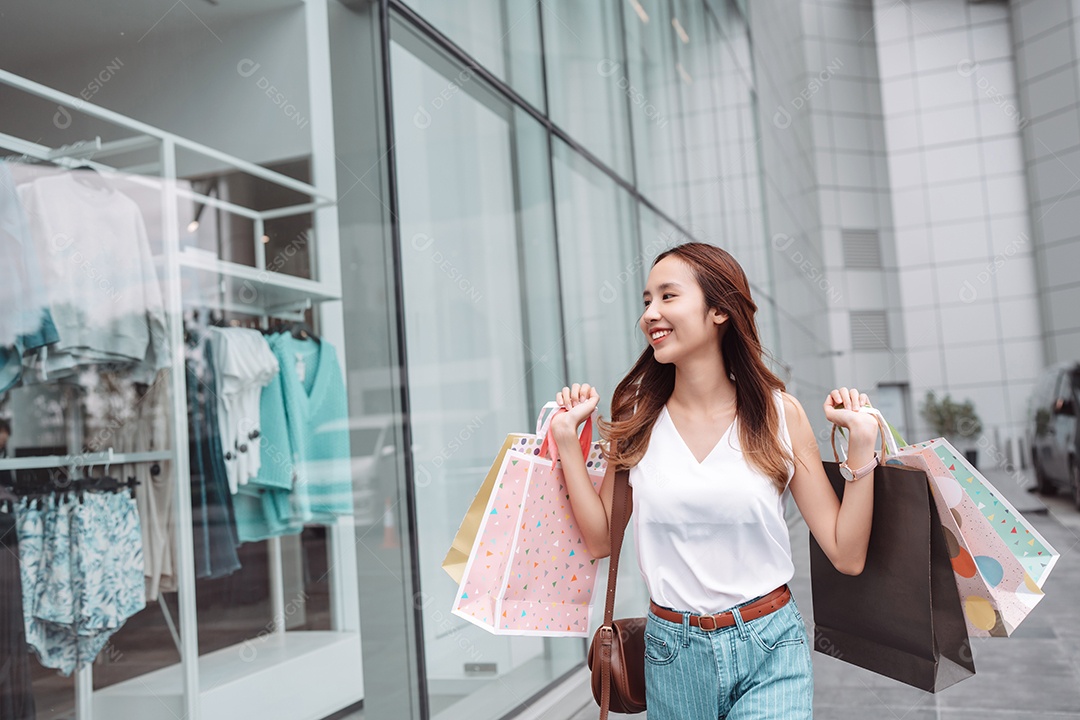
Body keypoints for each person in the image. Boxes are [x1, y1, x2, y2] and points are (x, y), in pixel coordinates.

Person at [551, 243, 881, 719]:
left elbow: (845, 554)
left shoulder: (778, 415)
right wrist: (566, 440)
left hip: (770, 644)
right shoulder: (637, 416)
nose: (650, 314)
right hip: (672, 655)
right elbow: (602, 539)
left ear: (720, 310)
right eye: (646, 301)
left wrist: (862, 444)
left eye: (668, 296)